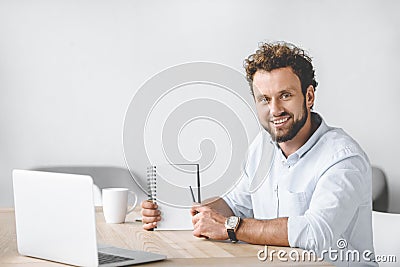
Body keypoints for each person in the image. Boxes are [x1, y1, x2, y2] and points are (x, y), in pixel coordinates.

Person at [141, 42, 376, 266]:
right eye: (265, 99)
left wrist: (230, 227)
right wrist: (176, 213)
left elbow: (316, 233)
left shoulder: (343, 159)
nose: (274, 110)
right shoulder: (262, 146)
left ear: (309, 96)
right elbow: (235, 205)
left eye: (285, 95)